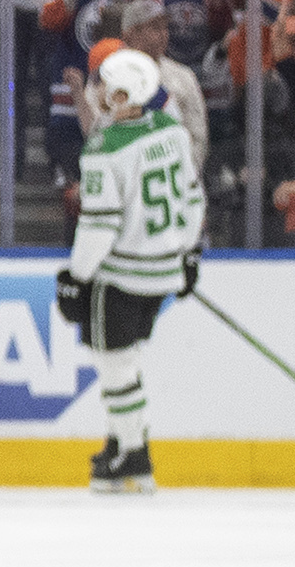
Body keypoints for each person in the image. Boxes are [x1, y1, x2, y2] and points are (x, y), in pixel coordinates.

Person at [57, 45, 202, 496]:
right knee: (128, 357)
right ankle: (121, 441)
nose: (97, 92)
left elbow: (99, 225)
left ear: (123, 94)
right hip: (163, 271)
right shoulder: (173, 131)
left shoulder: (104, 148)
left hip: (121, 275)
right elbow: (193, 199)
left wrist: (76, 276)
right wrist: (188, 254)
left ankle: (134, 453)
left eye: (104, 86)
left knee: (114, 362)